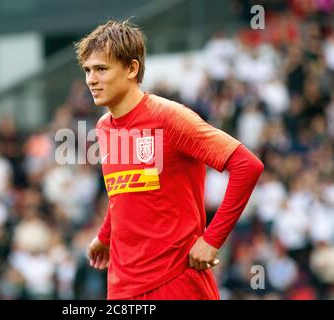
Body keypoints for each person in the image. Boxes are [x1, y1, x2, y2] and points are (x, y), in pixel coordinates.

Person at [74, 20, 264, 300]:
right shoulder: (104, 127)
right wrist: (105, 236)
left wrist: (212, 240)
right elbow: (126, 189)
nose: (91, 79)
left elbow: (247, 166)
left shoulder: (170, 118)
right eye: (88, 70)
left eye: (101, 69)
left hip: (176, 283)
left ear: (131, 68)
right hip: (121, 288)